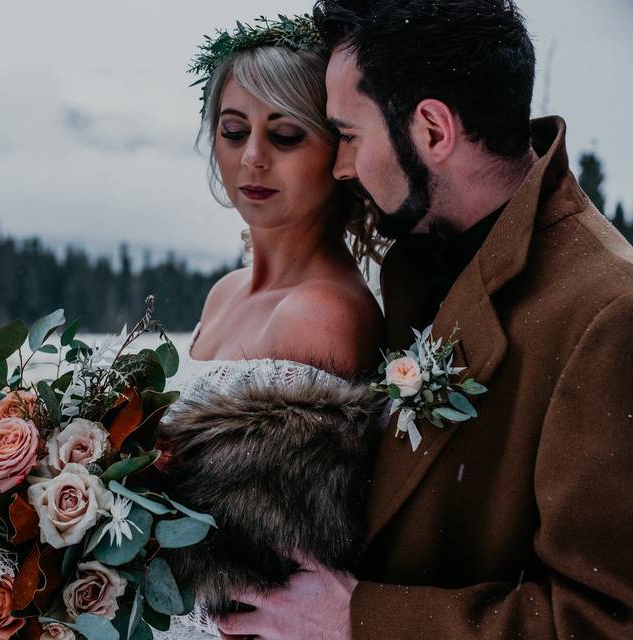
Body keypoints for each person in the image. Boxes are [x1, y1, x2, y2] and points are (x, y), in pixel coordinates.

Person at [214, 1, 633, 639]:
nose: (341, 167)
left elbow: (606, 622)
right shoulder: (420, 259)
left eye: (349, 136)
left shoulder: (607, 310)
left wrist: (362, 620)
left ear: (433, 131)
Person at [153, 14, 385, 640]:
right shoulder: (225, 293)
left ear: (337, 154)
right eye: (234, 131)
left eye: (284, 135)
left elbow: (263, 573)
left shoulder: (323, 312)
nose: (252, 158)